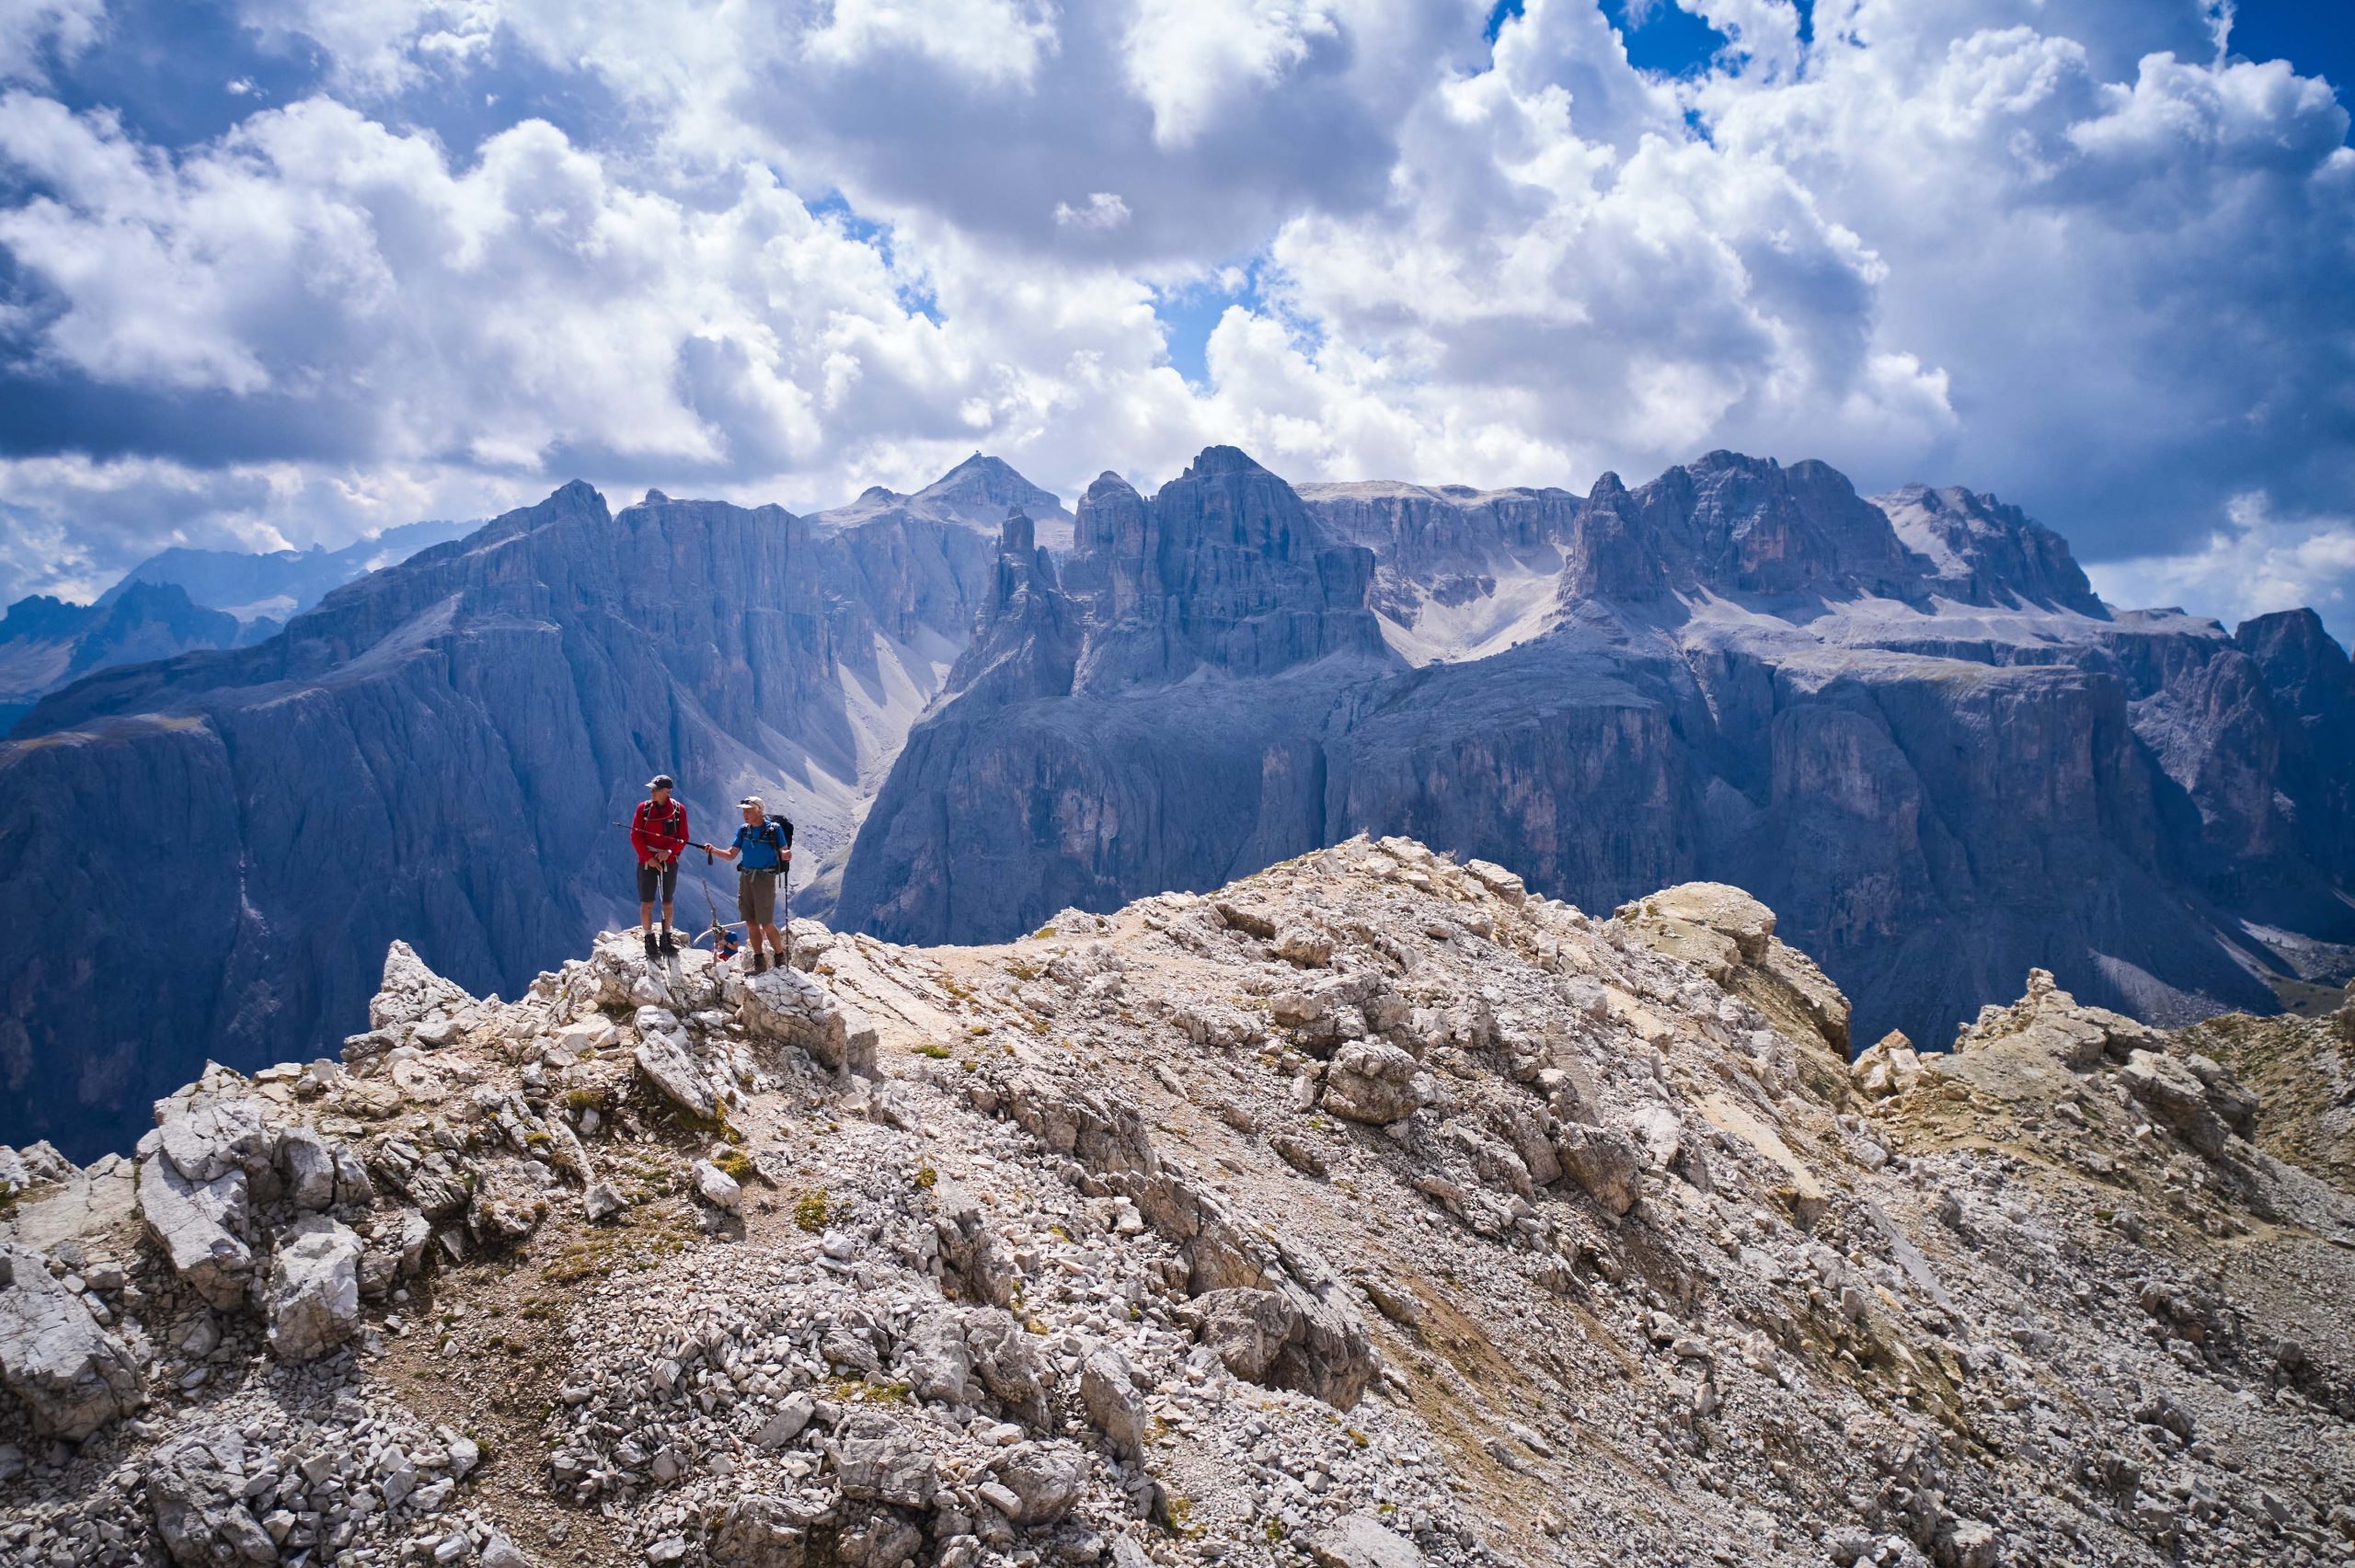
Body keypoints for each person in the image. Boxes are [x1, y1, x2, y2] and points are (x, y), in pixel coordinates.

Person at [706, 795, 791, 972]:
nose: (745, 814)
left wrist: (786, 855)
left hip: (764, 879)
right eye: (743, 811)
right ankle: (759, 962)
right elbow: (731, 854)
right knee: (751, 922)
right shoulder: (744, 830)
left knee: (766, 922)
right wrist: (713, 850)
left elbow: (784, 851)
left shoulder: (774, 829)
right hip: (746, 878)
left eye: (748, 810)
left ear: (759, 810)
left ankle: (779, 958)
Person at [630, 774, 691, 957]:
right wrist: (647, 857)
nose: (651, 792)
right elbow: (635, 835)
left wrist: (669, 852)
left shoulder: (679, 810)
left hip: (668, 861)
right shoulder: (643, 808)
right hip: (647, 860)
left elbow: (683, 837)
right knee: (647, 901)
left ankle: (666, 938)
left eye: (655, 789)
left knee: (668, 902)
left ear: (667, 791)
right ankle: (649, 939)